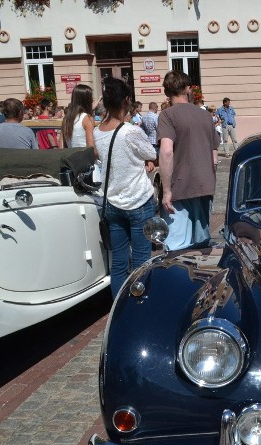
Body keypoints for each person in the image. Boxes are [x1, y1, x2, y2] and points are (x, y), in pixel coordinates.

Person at [93, 77, 157, 297]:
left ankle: (119, 306)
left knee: (118, 263)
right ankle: (140, 308)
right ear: (127, 101)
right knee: (141, 260)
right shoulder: (130, 131)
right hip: (138, 200)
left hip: (112, 202)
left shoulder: (97, 131)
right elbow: (151, 153)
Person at [157, 70, 218, 251]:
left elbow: (166, 152)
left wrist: (166, 191)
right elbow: (215, 158)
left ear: (167, 93)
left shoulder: (167, 115)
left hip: (180, 186)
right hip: (205, 184)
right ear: (188, 89)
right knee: (202, 246)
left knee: (176, 248)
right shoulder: (206, 116)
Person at [59, 83, 96, 151]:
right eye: (91, 98)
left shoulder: (66, 119)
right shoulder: (87, 118)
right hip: (84, 159)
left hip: (71, 158)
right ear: (86, 100)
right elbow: (91, 148)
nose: (92, 100)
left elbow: (61, 146)